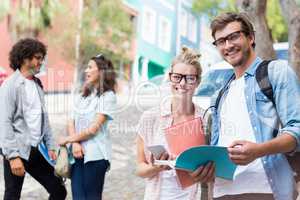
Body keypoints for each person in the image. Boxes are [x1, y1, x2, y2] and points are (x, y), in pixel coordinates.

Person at [193, 12, 300, 200]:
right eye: (221, 41)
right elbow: (217, 147)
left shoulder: (276, 72)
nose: (228, 45)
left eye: (233, 36)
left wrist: (258, 150)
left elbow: (297, 130)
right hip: (222, 192)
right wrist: (204, 169)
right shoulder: (219, 94)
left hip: (265, 189)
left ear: (250, 37)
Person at [136, 47, 214, 200]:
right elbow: (139, 167)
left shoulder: (207, 119)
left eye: (190, 78)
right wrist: (156, 167)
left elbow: (213, 168)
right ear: (170, 77)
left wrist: (205, 171)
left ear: (198, 81)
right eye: (177, 77)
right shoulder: (150, 118)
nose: (183, 83)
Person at [0, 38, 67, 200]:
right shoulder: (10, 85)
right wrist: (13, 156)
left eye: (42, 58)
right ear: (24, 58)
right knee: (12, 195)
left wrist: (50, 145)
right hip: (17, 149)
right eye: (37, 58)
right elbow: (4, 121)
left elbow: (44, 119)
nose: (41, 62)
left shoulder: (37, 85)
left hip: (35, 150)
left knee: (59, 190)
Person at [58, 54, 117, 200]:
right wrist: (75, 143)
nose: (86, 71)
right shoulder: (82, 95)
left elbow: (93, 129)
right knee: (78, 197)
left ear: (102, 71)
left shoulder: (108, 96)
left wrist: (68, 139)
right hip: (77, 154)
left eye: (90, 67)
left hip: (95, 156)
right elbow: (71, 120)